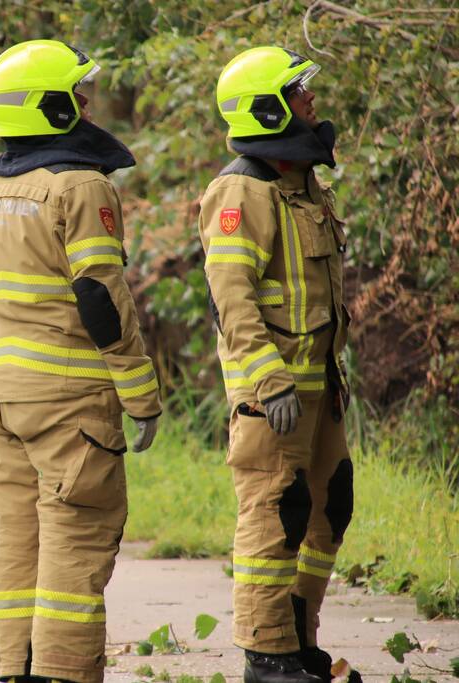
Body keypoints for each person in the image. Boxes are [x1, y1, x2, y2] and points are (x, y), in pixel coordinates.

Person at [0, 40, 162, 683]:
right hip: (71, 401)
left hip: (4, 397)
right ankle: (63, 674)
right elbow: (99, 295)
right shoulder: (80, 184)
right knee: (75, 545)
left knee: (17, 543)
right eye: (75, 94)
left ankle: (14, 671)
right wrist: (140, 392)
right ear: (51, 107)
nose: (87, 102)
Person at [200, 47, 357, 683]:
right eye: (298, 93)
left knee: (329, 508)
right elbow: (230, 298)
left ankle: (298, 636)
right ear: (268, 111)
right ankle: (266, 654)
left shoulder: (302, 183)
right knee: (276, 512)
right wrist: (268, 379)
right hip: (274, 394)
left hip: (319, 390)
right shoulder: (240, 191)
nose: (311, 102)